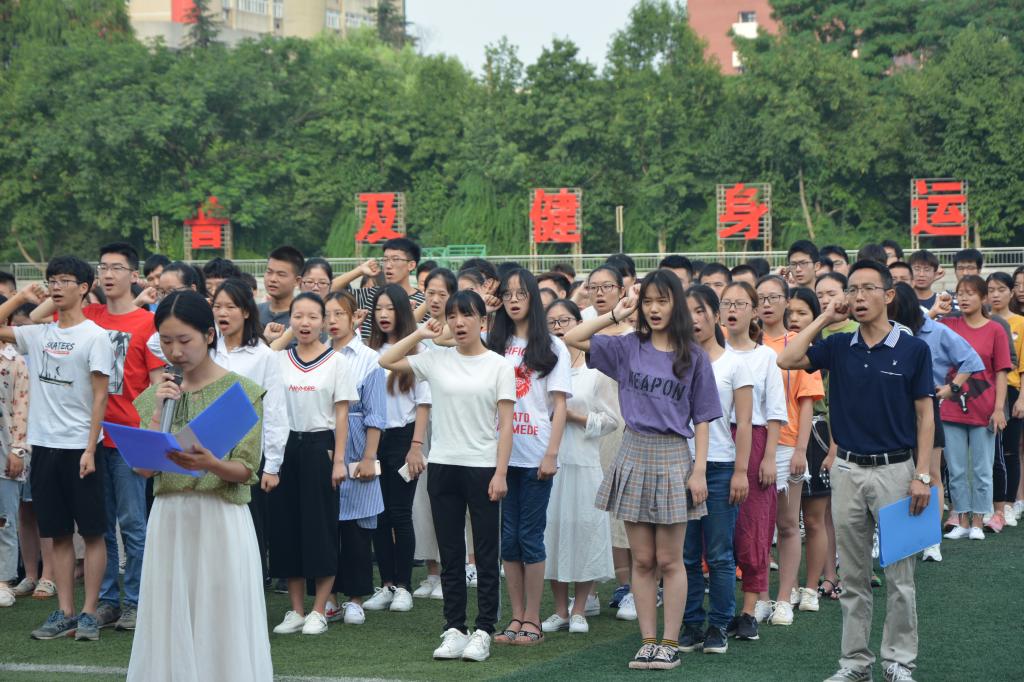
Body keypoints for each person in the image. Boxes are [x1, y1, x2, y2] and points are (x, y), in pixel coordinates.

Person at [778, 259, 934, 682]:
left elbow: (925, 415)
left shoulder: (913, 349)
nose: (858, 297)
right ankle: (855, 664)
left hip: (897, 470)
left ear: (889, 295)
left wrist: (923, 474)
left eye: (868, 289)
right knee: (853, 576)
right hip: (846, 469)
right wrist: (826, 317)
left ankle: (898, 662)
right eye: (852, 289)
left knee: (900, 577)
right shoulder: (838, 345)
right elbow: (787, 358)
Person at [564, 270, 721, 671]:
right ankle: (648, 641)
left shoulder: (693, 355)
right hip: (633, 451)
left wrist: (699, 470)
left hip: (673, 456)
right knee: (643, 560)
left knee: (671, 560)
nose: (653, 309)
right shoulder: (628, 345)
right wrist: (616, 313)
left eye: (662, 301)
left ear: (676, 305)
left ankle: (669, 643)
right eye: (648, 301)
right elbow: (573, 337)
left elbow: (703, 418)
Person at [128, 290, 272, 682]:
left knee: (222, 613)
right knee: (169, 611)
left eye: (184, 340)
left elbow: (246, 469)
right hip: (170, 518)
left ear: (209, 335)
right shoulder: (155, 396)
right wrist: (158, 413)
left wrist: (210, 463)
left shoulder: (241, 391)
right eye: (166, 341)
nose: (175, 352)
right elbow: (143, 469)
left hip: (220, 517)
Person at [379, 290, 515, 663]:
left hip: (483, 467)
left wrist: (501, 472)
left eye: (467, 315)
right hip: (442, 466)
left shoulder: (499, 365)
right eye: (452, 315)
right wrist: (421, 333)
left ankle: (484, 629)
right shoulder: (436, 359)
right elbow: (385, 360)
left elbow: (506, 425)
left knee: (485, 554)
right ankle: (454, 627)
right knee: (450, 553)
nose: (458, 322)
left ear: (483, 321)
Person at [0, 257, 113, 641]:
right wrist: (20, 298)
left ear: (84, 287)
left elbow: (100, 397)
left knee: (93, 532)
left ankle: (89, 613)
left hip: (81, 447)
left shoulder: (95, 336)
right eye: (52, 281)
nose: (57, 286)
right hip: (44, 447)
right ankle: (65, 611)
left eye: (66, 280)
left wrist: (89, 448)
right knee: (59, 533)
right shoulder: (38, 334)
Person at [486, 268, 570, 646]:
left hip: (536, 456)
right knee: (509, 539)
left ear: (534, 297)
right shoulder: (493, 344)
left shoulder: (552, 346)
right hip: (499, 458)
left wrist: (551, 453)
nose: (514, 300)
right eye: (507, 294)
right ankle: (516, 616)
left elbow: (559, 406)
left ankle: (533, 618)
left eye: (521, 293)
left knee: (530, 537)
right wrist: (484, 309)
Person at [270, 293, 354, 636]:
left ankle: (320, 609)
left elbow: (342, 414)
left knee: (321, 529)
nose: (305, 323)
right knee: (287, 528)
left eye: (312, 317)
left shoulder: (337, 362)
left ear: (324, 322)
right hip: (285, 447)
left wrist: (339, 460)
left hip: (321, 447)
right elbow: (264, 365)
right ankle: (296, 610)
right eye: (298, 316)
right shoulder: (279, 359)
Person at [679, 285, 752, 656]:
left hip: (721, 467)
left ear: (716, 315)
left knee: (721, 554)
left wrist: (741, 471)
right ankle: (691, 622)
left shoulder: (734, 364)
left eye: (700, 310)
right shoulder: (674, 361)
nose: (694, 319)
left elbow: (745, 423)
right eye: (687, 311)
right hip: (679, 465)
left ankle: (719, 624)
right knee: (686, 554)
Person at [887, 283, 982, 561]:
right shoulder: (883, 332)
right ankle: (896, 538)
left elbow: (971, 359)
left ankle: (931, 541)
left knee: (930, 475)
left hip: (927, 410)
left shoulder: (936, 331)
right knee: (894, 475)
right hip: (890, 413)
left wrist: (952, 388)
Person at [540, 299, 618, 635]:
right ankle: (560, 609)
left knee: (586, 531)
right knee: (552, 532)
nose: (559, 328)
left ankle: (581, 607)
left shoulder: (595, 372)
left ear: (578, 323)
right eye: (552, 322)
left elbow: (612, 420)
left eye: (565, 321)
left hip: (585, 462)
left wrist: (573, 416)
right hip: (550, 463)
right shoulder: (541, 368)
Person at [210, 280, 289, 584]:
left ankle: (251, 587)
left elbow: (275, 412)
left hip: (248, 456)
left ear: (246, 311)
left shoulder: (263, 355)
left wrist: (272, 465)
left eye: (230, 306)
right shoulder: (207, 350)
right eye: (217, 306)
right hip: (209, 451)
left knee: (249, 526)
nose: (222, 313)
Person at [756, 276, 825, 625]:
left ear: (786, 301)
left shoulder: (798, 344)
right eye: (760, 298)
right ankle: (760, 596)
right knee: (756, 527)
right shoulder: (745, 343)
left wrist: (801, 449)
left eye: (774, 297)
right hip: (750, 444)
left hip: (786, 444)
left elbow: (807, 400)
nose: (767, 304)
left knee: (786, 523)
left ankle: (784, 597)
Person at [720, 281, 786, 640]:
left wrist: (770, 456)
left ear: (754, 310)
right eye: (726, 303)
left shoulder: (766, 357)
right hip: (716, 439)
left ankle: (748, 610)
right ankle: (719, 610)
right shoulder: (709, 354)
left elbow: (774, 411)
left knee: (753, 526)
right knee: (716, 529)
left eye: (740, 304)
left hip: (756, 441)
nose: (732, 310)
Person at [363, 286, 431, 615]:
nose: (384, 314)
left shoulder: (418, 351)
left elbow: (423, 405)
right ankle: (387, 583)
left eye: (390, 308)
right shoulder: (368, 350)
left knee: (401, 514)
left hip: (404, 439)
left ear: (402, 311)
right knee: (378, 515)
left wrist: (416, 447)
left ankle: (404, 585)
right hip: (373, 440)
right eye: (379, 309)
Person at [326, 290, 386, 628]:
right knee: (325, 527)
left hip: (358, 445)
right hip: (323, 446)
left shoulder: (368, 358)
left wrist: (369, 456)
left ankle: (356, 599)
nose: (332, 321)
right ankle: (328, 598)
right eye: (326, 315)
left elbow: (376, 415)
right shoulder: (315, 354)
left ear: (354, 318)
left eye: (339, 314)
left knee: (357, 530)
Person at [940, 275, 1010, 538]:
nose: (964, 298)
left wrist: (999, 408)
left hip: (985, 409)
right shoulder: (948, 325)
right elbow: (921, 327)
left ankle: (979, 520)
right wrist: (936, 310)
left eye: (970, 293)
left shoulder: (995, 330)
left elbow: (1001, 372)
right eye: (960, 293)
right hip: (951, 408)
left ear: (983, 298)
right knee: (956, 468)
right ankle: (962, 520)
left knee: (982, 469)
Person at [581, 266, 633, 616]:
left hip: (624, 429)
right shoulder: (584, 329)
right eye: (593, 287)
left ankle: (630, 587)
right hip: (586, 430)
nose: (600, 293)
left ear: (621, 290)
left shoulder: (635, 334)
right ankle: (592, 588)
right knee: (590, 511)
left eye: (607, 286)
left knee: (623, 513)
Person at [787, 289, 840, 601]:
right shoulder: (776, 350)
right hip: (784, 437)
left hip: (819, 438)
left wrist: (833, 448)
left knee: (816, 518)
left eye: (802, 313)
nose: (794, 319)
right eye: (790, 313)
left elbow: (836, 405)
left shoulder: (826, 353)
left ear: (816, 318)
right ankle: (790, 587)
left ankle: (820, 581)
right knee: (787, 522)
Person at [986, 272, 1024, 527]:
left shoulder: (1020, 323)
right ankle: (990, 504)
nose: (995, 294)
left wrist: (1021, 398)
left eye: (1001, 289)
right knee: (987, 452)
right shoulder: (983, 321)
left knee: (1010, 450)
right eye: (991, 290)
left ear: (1011, 292)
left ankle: (1008, 504)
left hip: (1011, 391)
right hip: (985, 391)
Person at [332, 237, 425, 338]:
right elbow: (328, 291)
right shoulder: (371, 294)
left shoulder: (423, 303)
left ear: (411, 265)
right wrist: (360, 270)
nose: (388, 265)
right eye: (385, 260)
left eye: (395, 259)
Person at [0, 294, 29, 609]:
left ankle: (4, 579)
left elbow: (23, 408)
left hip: (6, 446)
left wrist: (19, 450)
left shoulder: (15, 360)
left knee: (5, 517)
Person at [259, 246, 304, 328]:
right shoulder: (254, 313)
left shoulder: (305, 318)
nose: (273, 279)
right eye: (269, 272)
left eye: (281, 275)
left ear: (297, 281)